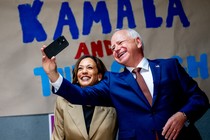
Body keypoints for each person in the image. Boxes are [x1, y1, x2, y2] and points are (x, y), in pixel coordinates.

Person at [41, 29, 209, 140]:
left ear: (137, 42)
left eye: (120, 43)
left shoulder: (169, 66)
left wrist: (183, 115)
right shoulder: (112, 81)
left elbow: (200, 99)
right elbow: (81, 95)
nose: (116, 49)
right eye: (112, 48)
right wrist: (52, 74)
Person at [51, 55, 118, 140]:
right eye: (80, 68)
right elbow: (57, 137)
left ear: (99, 76)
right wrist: (52, 73)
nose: (84, 71)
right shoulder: (63, 101)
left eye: (89, 67)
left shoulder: (113, 98)